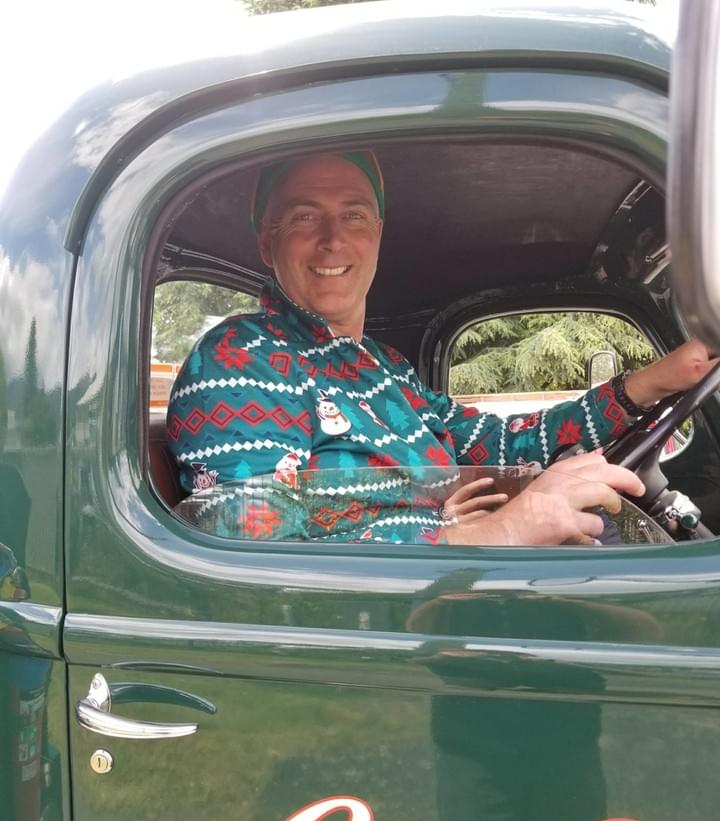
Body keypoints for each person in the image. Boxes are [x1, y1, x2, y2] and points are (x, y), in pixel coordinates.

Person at [167, 151, 717, 546]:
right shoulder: (241, 357)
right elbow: (245, 544)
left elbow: (499, 443)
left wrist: (649, 385)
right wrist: (470, 534)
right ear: (268, 243)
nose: (333, 238)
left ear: (376, 233)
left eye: (354, 214)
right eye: (304, 217)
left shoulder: (385, 368)